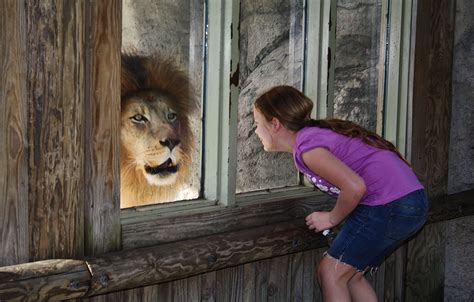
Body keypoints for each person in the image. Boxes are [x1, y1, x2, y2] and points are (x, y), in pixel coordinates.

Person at [253, 85, 428, 302]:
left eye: (258, 124)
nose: (256, 131)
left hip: (389, 205)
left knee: (330, 273)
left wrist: (331, 218)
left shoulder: (308, 148)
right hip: (409, 202)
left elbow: (355, 187)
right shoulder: (313, 137)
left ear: (275, 124)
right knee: (352, 276)